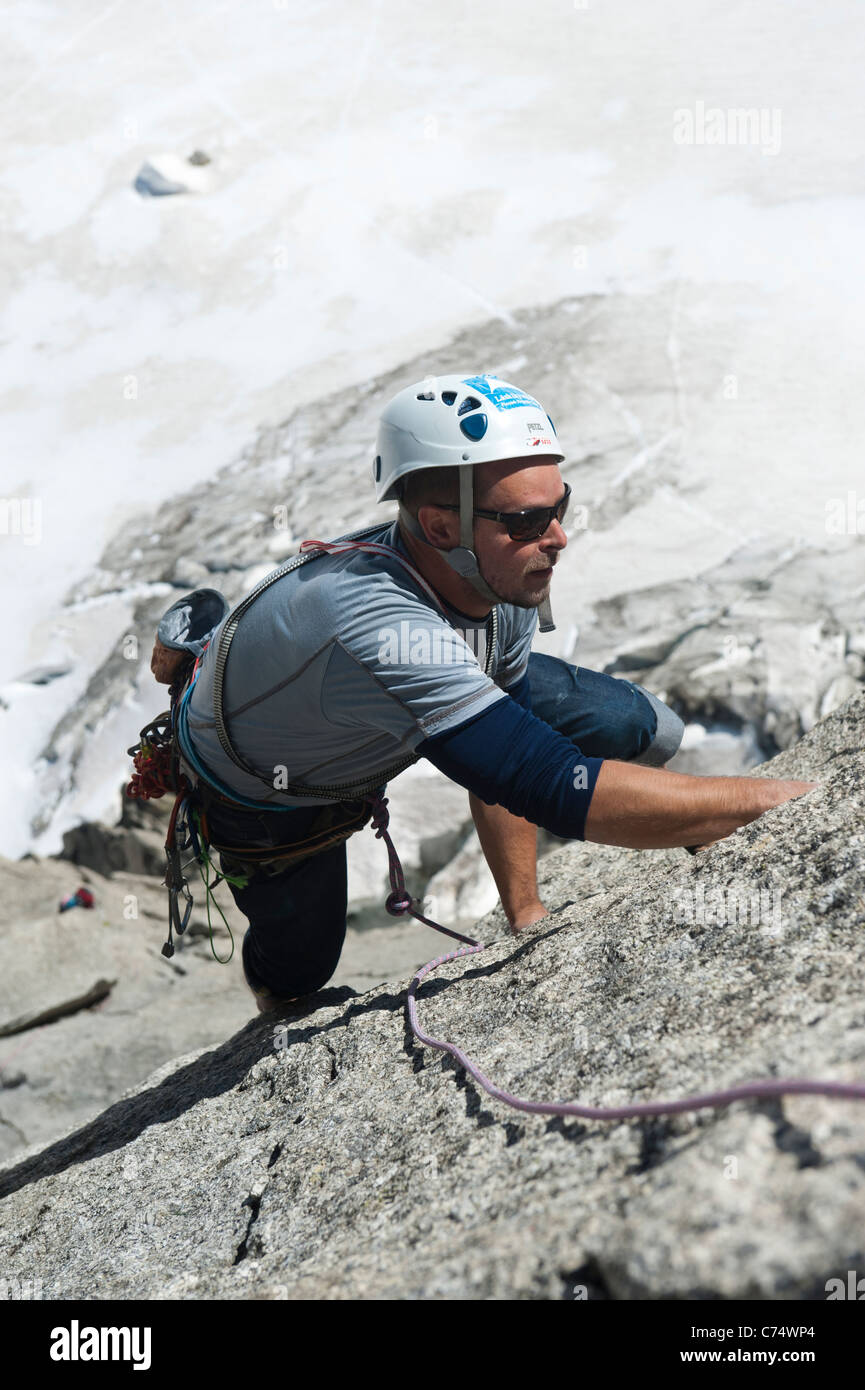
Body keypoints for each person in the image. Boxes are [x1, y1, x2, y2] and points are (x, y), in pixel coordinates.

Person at [176, 372, 816, 1012]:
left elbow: (505, 752)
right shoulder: (378, 623)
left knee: (637, 724)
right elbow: (540, 779)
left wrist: (526, 916)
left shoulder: (492, 576)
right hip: (269, 792)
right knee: (299, 972)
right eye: (528, 519)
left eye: (558, 508)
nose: (558, 537)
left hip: (387, 706)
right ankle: (193, 656)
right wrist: (777, 802)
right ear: (439, 526)